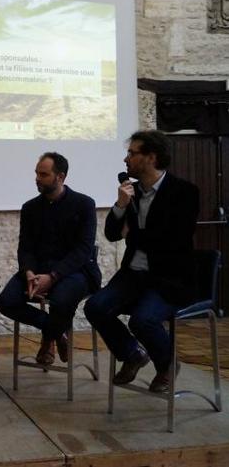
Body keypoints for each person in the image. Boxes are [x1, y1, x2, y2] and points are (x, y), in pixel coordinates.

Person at [85, 130, 199, 393]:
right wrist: (120, 205)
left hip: (168, 278)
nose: (126, 159)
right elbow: (112, 234)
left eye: (132, 153)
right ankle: (132, 354)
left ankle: (167, 364)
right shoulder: (131, 192)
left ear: (151, 157)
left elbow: (174, 240)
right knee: (95, 307)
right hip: (133, 275)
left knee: (142, 320)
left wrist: (134, 234)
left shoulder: (184, 192)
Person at [0, 152, 101, 365]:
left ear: (60, 177)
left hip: (74, 271)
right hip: (37, 270)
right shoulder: (30, 208)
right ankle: (55, 332)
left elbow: (83, 250)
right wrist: (29, 272)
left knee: (62, 300)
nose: (37, 178)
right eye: (36, 173)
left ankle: (48, 341)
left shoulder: (84, 204)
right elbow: (25, 248)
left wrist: (53, 277)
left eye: (43, 174)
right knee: (6, 302)